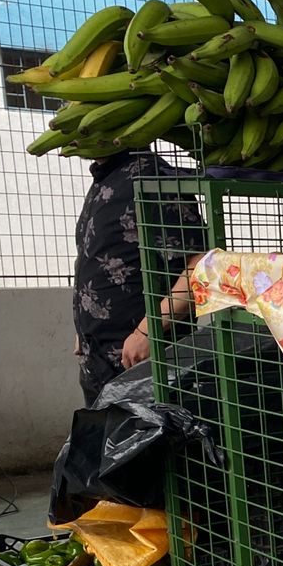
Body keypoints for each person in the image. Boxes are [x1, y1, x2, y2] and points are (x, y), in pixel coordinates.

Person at [73, 150, 204, 406]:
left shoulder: (151, 177)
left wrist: (147, 331)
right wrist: (83, 329)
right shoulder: (105, 178)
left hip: (144, 366)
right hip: (97, 363)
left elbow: (198, 267)